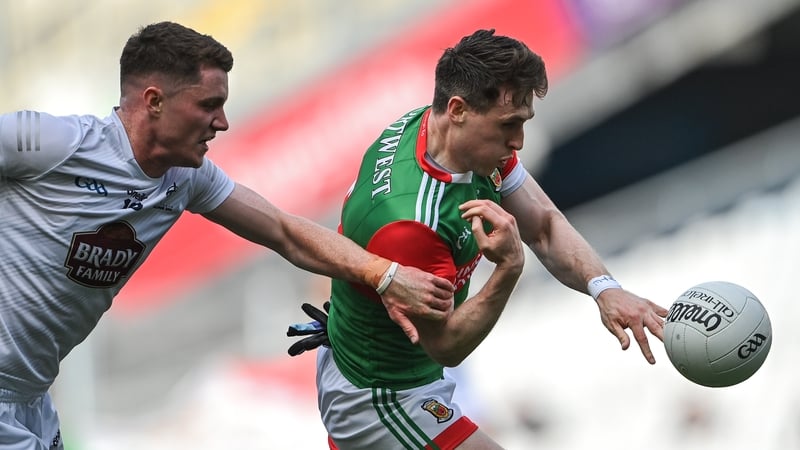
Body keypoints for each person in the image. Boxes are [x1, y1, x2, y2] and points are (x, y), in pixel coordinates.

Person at [0, 21, 456, 450]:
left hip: (31, 396)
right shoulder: (53, 143)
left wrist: (385, 274)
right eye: (207, 105)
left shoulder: (186, 178)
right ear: (154, 101)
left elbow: (285, 231)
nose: (222, 122)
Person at [289, 29, 669, 449]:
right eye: (508, 125)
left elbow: (542, 224)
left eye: (523, 123)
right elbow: (447, 346)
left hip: (391, 368)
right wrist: (508, 269)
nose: (518, 142)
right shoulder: (414, 221)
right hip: (380, 393)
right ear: (458, 109)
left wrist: (605, 288)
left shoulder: (454, 141)